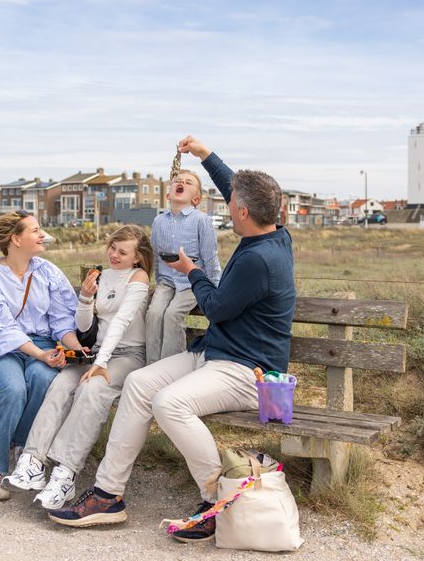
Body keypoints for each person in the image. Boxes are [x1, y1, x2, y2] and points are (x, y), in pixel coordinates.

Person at [48, 136, 296, 544]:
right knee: (139, 384)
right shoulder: (274, 232)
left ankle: (216, 499)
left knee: (169, 402)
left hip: (246, 370)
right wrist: (204, 156)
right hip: (215, 354)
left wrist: (191, 269)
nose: (228, 202)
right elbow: (238, 186)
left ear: (244, 212)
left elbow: (215, 308)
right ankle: (109, 495)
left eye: (232, 201)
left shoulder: (258, 259)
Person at [3, 225, 153, 510]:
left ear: (137, 257)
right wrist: (85, 297)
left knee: (91, 389)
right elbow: (84, 327)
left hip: (126, 355)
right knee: (60, 384)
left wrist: (101, 363)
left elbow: (121, 322)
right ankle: (33, 462)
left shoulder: (139, 277)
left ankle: (64, 474)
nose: (115, 255)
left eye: (123, 252)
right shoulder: (100, 275)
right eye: (112, 248)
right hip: (96, 352)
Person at [0, 210, 86, 501]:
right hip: (3, 348)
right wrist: (40, 353)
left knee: (40, 378)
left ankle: (25, 447)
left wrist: (74, 347)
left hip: (42, 345)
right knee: (13, 388)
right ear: (15, 239)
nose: (41, 235)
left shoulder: (47, 271)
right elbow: (0, 328)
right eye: (35, 230)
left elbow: (62, 320)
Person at [145, 169, 221, 364]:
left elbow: (210, 255)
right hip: (166, 281)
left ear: (196, 199)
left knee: (172, 315)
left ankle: (170, 366)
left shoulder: (201, 220)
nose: (182, 183)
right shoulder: (159, 221)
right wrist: (157, 281)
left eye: (188, 182)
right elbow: (155, 255)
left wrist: (213, 286)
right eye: (178, 181)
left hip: (192, 282)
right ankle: (151, 365)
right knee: (153, 314)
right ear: (169, 194)